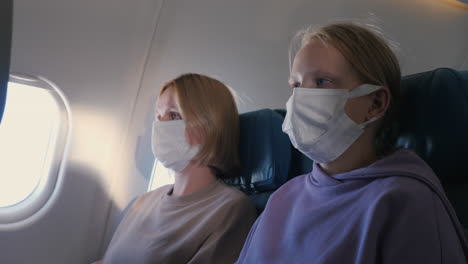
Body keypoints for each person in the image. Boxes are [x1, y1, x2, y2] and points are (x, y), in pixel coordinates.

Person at [236, 22, 468, 263]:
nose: (299, 98)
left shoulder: (403, 200)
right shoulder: (282, 197)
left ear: (375, 103)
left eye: (321, 81)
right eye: (296, 84)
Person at [100, 73, 257, 264]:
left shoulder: (230, 209)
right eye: (158, 116)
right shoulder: (143, 201)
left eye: (174, 115)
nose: (159, 126)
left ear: (211, 124)